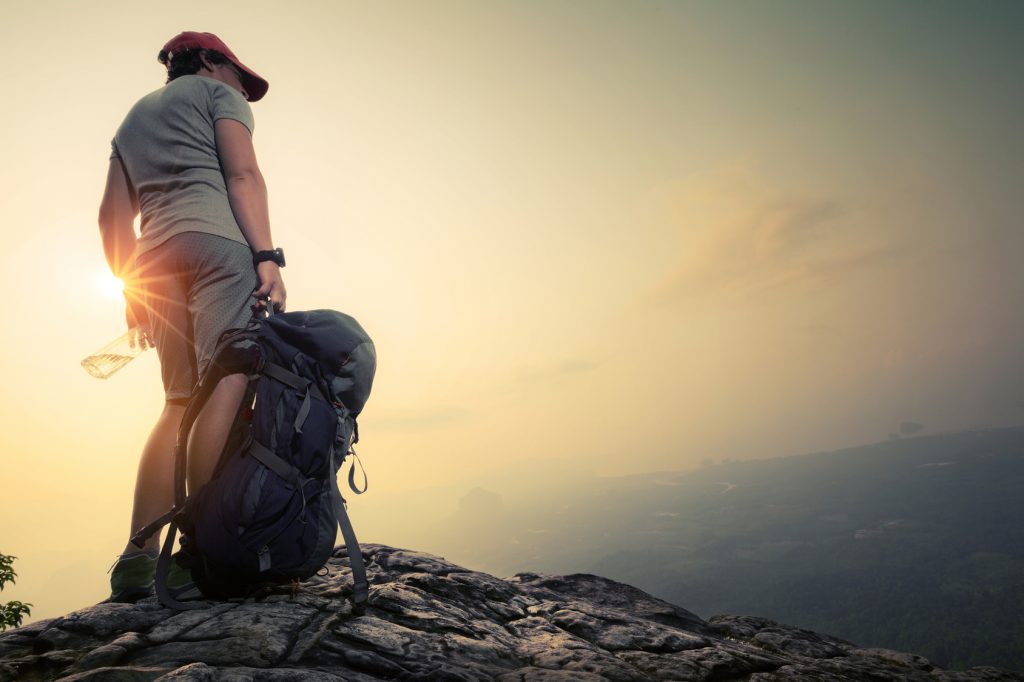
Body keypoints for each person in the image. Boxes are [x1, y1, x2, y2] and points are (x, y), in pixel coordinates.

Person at [97, 31, 287, 601]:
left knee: (178, 402)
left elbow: (111, 217)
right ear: (208, 61)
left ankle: (137, 559)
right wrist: (266, 258)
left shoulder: (131, 122)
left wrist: (130, 287)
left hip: (154, 260)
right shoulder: (213, 94)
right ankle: (203, 547)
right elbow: (242, 176)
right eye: (237, 75)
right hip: (217, 248)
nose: (240, 90)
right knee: (227, 380)